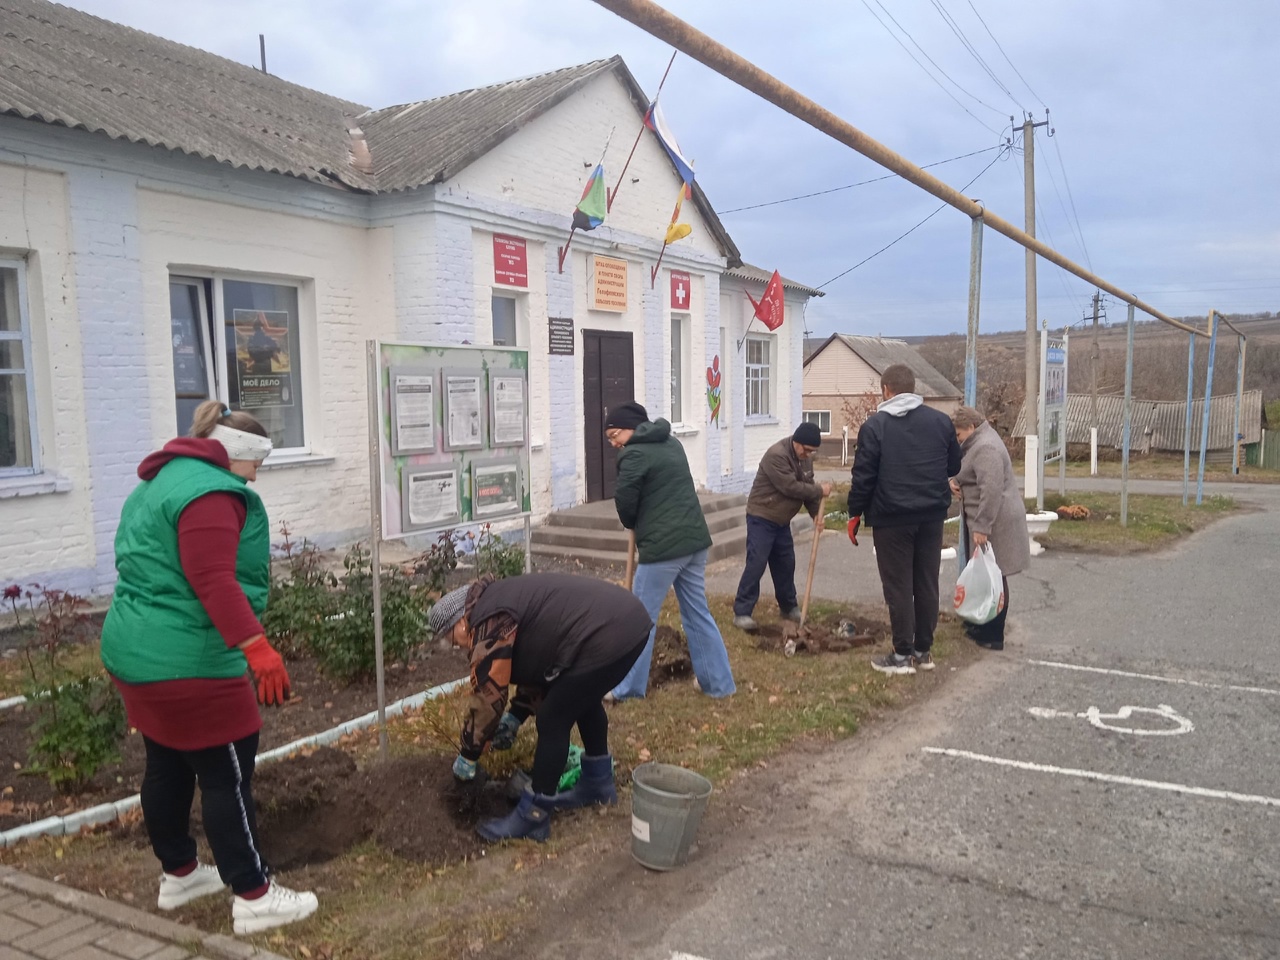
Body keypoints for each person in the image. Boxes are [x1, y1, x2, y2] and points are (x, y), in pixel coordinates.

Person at [99, 401, 317, 935]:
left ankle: (180, 874)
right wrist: (257, 648)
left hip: (136, 650)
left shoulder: (162, 480)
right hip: (188, 660)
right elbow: (213, 579)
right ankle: (254, 894)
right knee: (227, 774)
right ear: (236, 452)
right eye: (257, 459)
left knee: (167, 762)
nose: (259, 471)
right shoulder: (212, 493)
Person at [430, 573, 651, 842]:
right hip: (624, 622)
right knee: (581, 697)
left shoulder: (489, 620)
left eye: (454, 640)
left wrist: (468, 755)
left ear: (461, 623)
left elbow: (488, 696)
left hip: (609, 634)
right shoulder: (498, 601)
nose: (459, 646)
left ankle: (533, 816)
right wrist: (515, 715)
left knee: (553, 718)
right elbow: (539, 662)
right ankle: (598, 784)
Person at [603, 402, 735, 700]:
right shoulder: (671, 442)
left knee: (640, 618)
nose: (613, 443)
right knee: (697, 612)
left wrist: (630, 519)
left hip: (663, 549)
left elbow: (625, 502)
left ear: (632, 428)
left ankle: (627, 688)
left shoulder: (633, 454)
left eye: (615, 435)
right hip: (694, 541)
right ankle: (718, 683)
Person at [846, 364, 962, 676]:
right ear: (913, 388)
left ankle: (901, 655)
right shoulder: (940, 422)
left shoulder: (875, 426)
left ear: (886, 390)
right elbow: (954, 463)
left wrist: (854, 513)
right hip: (932, 515)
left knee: (898, 586)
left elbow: (863, 478)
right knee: (926, 582)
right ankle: (923, 651)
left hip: (892, 517)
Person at [733, 422, 832, 631]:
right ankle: (742, 612)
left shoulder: (805, 460)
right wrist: (818, 490)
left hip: (781, 521)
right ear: (796, 441)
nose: (808, 454)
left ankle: (788, 607)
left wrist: (815, 514)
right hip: (762, 516)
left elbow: (807, 488)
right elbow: (791, 487)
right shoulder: (776, 455)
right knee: (757, 562)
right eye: (806, 449)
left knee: (786, 564)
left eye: (812, 451)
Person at [949, 406, 1031, 650]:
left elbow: (991, 489)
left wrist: (982, 526)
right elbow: (970, 474)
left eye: (958, 434)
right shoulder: (979, 442)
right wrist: (953, 481)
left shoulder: (985, 447)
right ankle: (982, 624)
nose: (957, 440)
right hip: (988, 518)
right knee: (987, 575)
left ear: (971, 428)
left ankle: (993, 635)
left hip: (996, 522)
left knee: (995, 576)